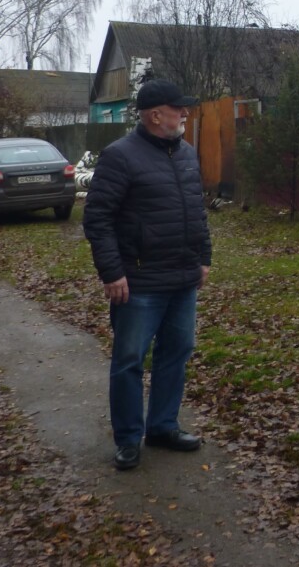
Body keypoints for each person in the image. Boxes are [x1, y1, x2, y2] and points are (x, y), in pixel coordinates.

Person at [83, 79, 211, 471]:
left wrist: (203, 257)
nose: (185, 114)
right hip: (138, 283)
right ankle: (127, 439)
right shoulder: (120, 156)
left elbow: (196, 209)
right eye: (179, 108)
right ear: (156, 115)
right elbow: (97, 218)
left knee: (176, 354)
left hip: (182, 279)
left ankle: (162, 426)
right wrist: (112, 272)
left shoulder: (187, 154)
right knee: (129, 361)